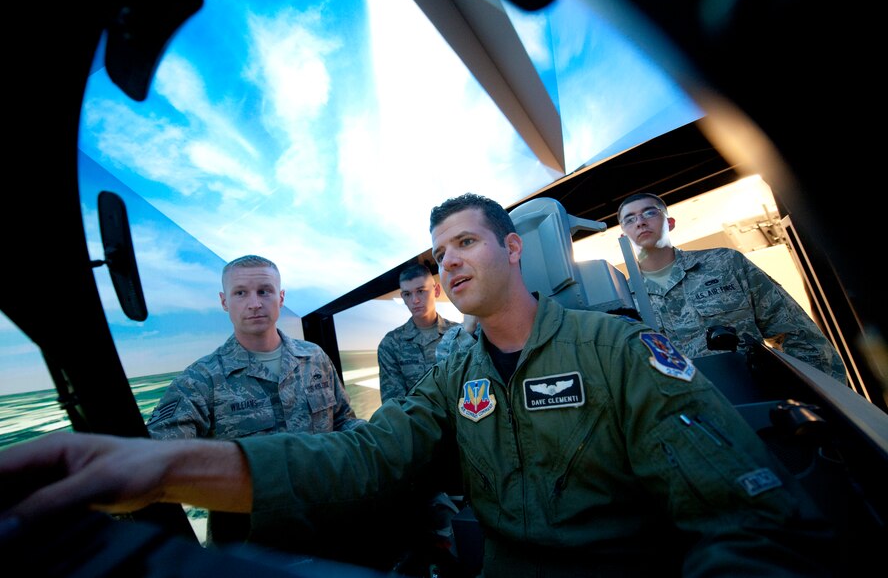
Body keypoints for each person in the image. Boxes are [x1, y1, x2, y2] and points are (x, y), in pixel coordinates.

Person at [1, 194, 837, 577]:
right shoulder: (453, 377)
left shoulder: (621, 350)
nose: (451, 261)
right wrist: (163, 468)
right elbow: (361, 456)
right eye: (441, 254)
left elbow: (743, 526)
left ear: (515, 251)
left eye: (467, 242)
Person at [145, 254, 365, 545]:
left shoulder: (314, 357)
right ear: (225, 302)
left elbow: (343, 421)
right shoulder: (202, 379)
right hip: (251, 544)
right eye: (241, 293)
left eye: (264, 291)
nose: (254, 303)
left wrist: (380, 448)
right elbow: (155, 456)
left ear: (281, 296)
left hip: (330, 523)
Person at [617, 192, 848, 383]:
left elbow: (797, 333)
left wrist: (826, 400)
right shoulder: (622, 301)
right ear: (623, 234)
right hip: (689, 419)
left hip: (754, 397)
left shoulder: (725, 263)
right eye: (630, 219)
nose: (640, 221)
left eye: (649, 212)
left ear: (669, 223)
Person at [377, 263, 458, 403]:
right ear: (403, 297)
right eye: (408, 294)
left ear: (436, 291)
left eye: (421, 291)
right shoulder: (391, 344)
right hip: (415, 423)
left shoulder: (458, 335)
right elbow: (394, 405)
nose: (415, 300)